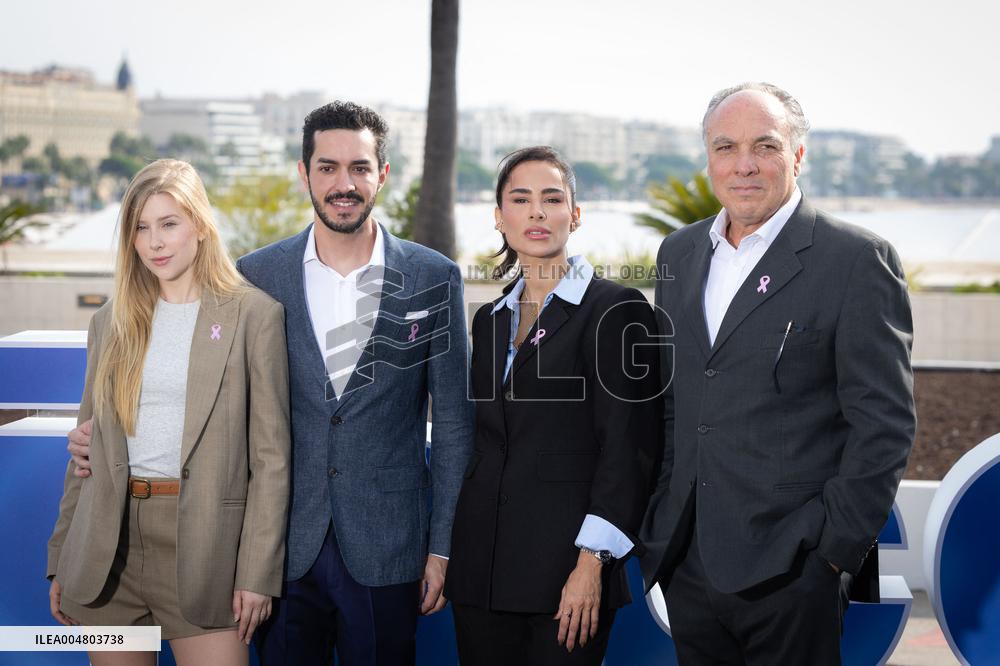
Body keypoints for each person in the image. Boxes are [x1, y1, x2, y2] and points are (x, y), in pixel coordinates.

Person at [66, 102, 474, 665]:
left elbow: (452, 425)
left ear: (382, 173)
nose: (344, 183)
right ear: (304, 173)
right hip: (282, 554)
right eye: (327, 167)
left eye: (359, 167)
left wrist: (442, 549)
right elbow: (211, 397)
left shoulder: (434, 276)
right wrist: (105, 441)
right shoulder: (257, 277)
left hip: (388, 546)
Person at [639, 82, 916, 665]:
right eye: (726, 147)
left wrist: (832, 553)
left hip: (794, 567)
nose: (743, 165)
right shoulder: (678, 254)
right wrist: (661, 516)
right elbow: (674, 399)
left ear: (798, 155)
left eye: (764, 146)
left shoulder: (855, 259)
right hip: (688, 563)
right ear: (708, 158)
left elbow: (883, 424)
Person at [47, 159, 291, 666]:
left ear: (199, 225)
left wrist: (257, 572)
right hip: (108, 546)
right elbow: (85, 454)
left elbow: (272, 461)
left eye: (168, 224)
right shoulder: (111, 322)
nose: (154, 242)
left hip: (206, 548)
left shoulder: (254, 316)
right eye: (141, 228)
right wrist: (62, 556)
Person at [445, 146, 663, 665]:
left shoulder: (616, 309)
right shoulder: (488, 320)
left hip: (567, 575)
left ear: (575, 214)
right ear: (499, 217)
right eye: (520, 199)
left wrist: (591, 565)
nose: (537, 212)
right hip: (481, 572)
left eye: (552, 198)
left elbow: (629, 451)